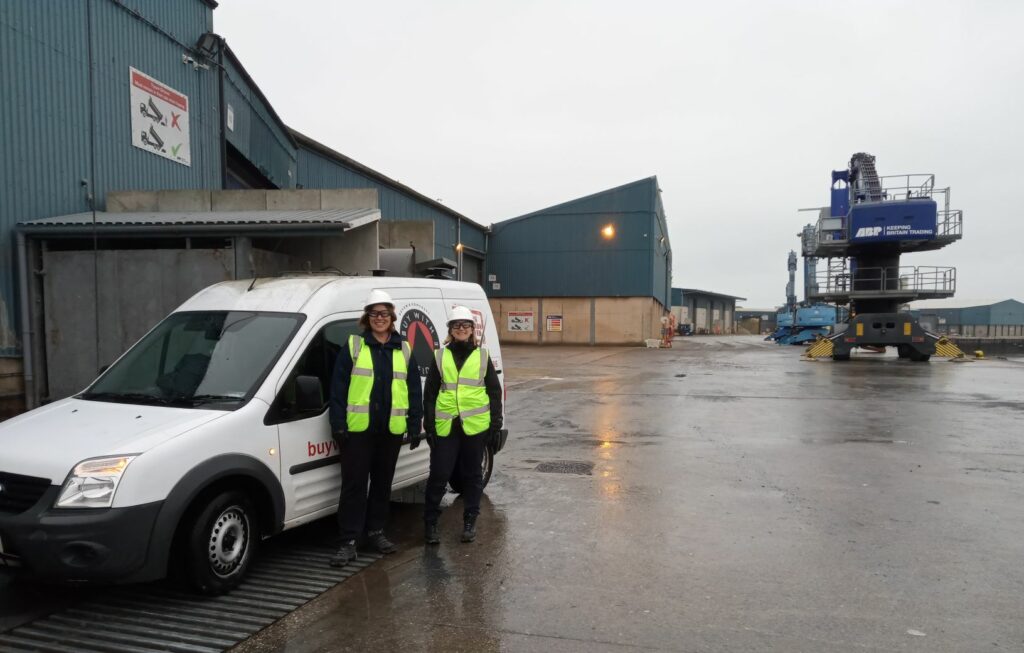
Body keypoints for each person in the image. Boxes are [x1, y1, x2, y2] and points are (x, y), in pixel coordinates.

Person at [328, 289, 423, 567]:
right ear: (366, 318)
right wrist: (338, 425)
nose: (379, 318)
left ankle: (376, 532)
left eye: (384, 314)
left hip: (390, 431)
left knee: (382, 485)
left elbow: (413, 389)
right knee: (354, 486)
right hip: (358, 432)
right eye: (374, 313)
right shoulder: (355, 346)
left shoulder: (403, 348)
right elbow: (338, 388)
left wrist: (414, 424)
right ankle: (348, 541)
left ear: (392, 317)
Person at [422, 306, 503, 545]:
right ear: (450, 330)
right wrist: (430, 426)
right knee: (438, 475)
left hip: (475, 427)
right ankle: (430, 523)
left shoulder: (482, 356)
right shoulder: (440, 355)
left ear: (472, 330)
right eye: (456, 326)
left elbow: (494, 392)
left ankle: (470, 521)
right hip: (446, 426)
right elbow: (430, 394)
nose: (461, 329)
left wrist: (495, 426)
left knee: (472, 475)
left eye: (466, 326)